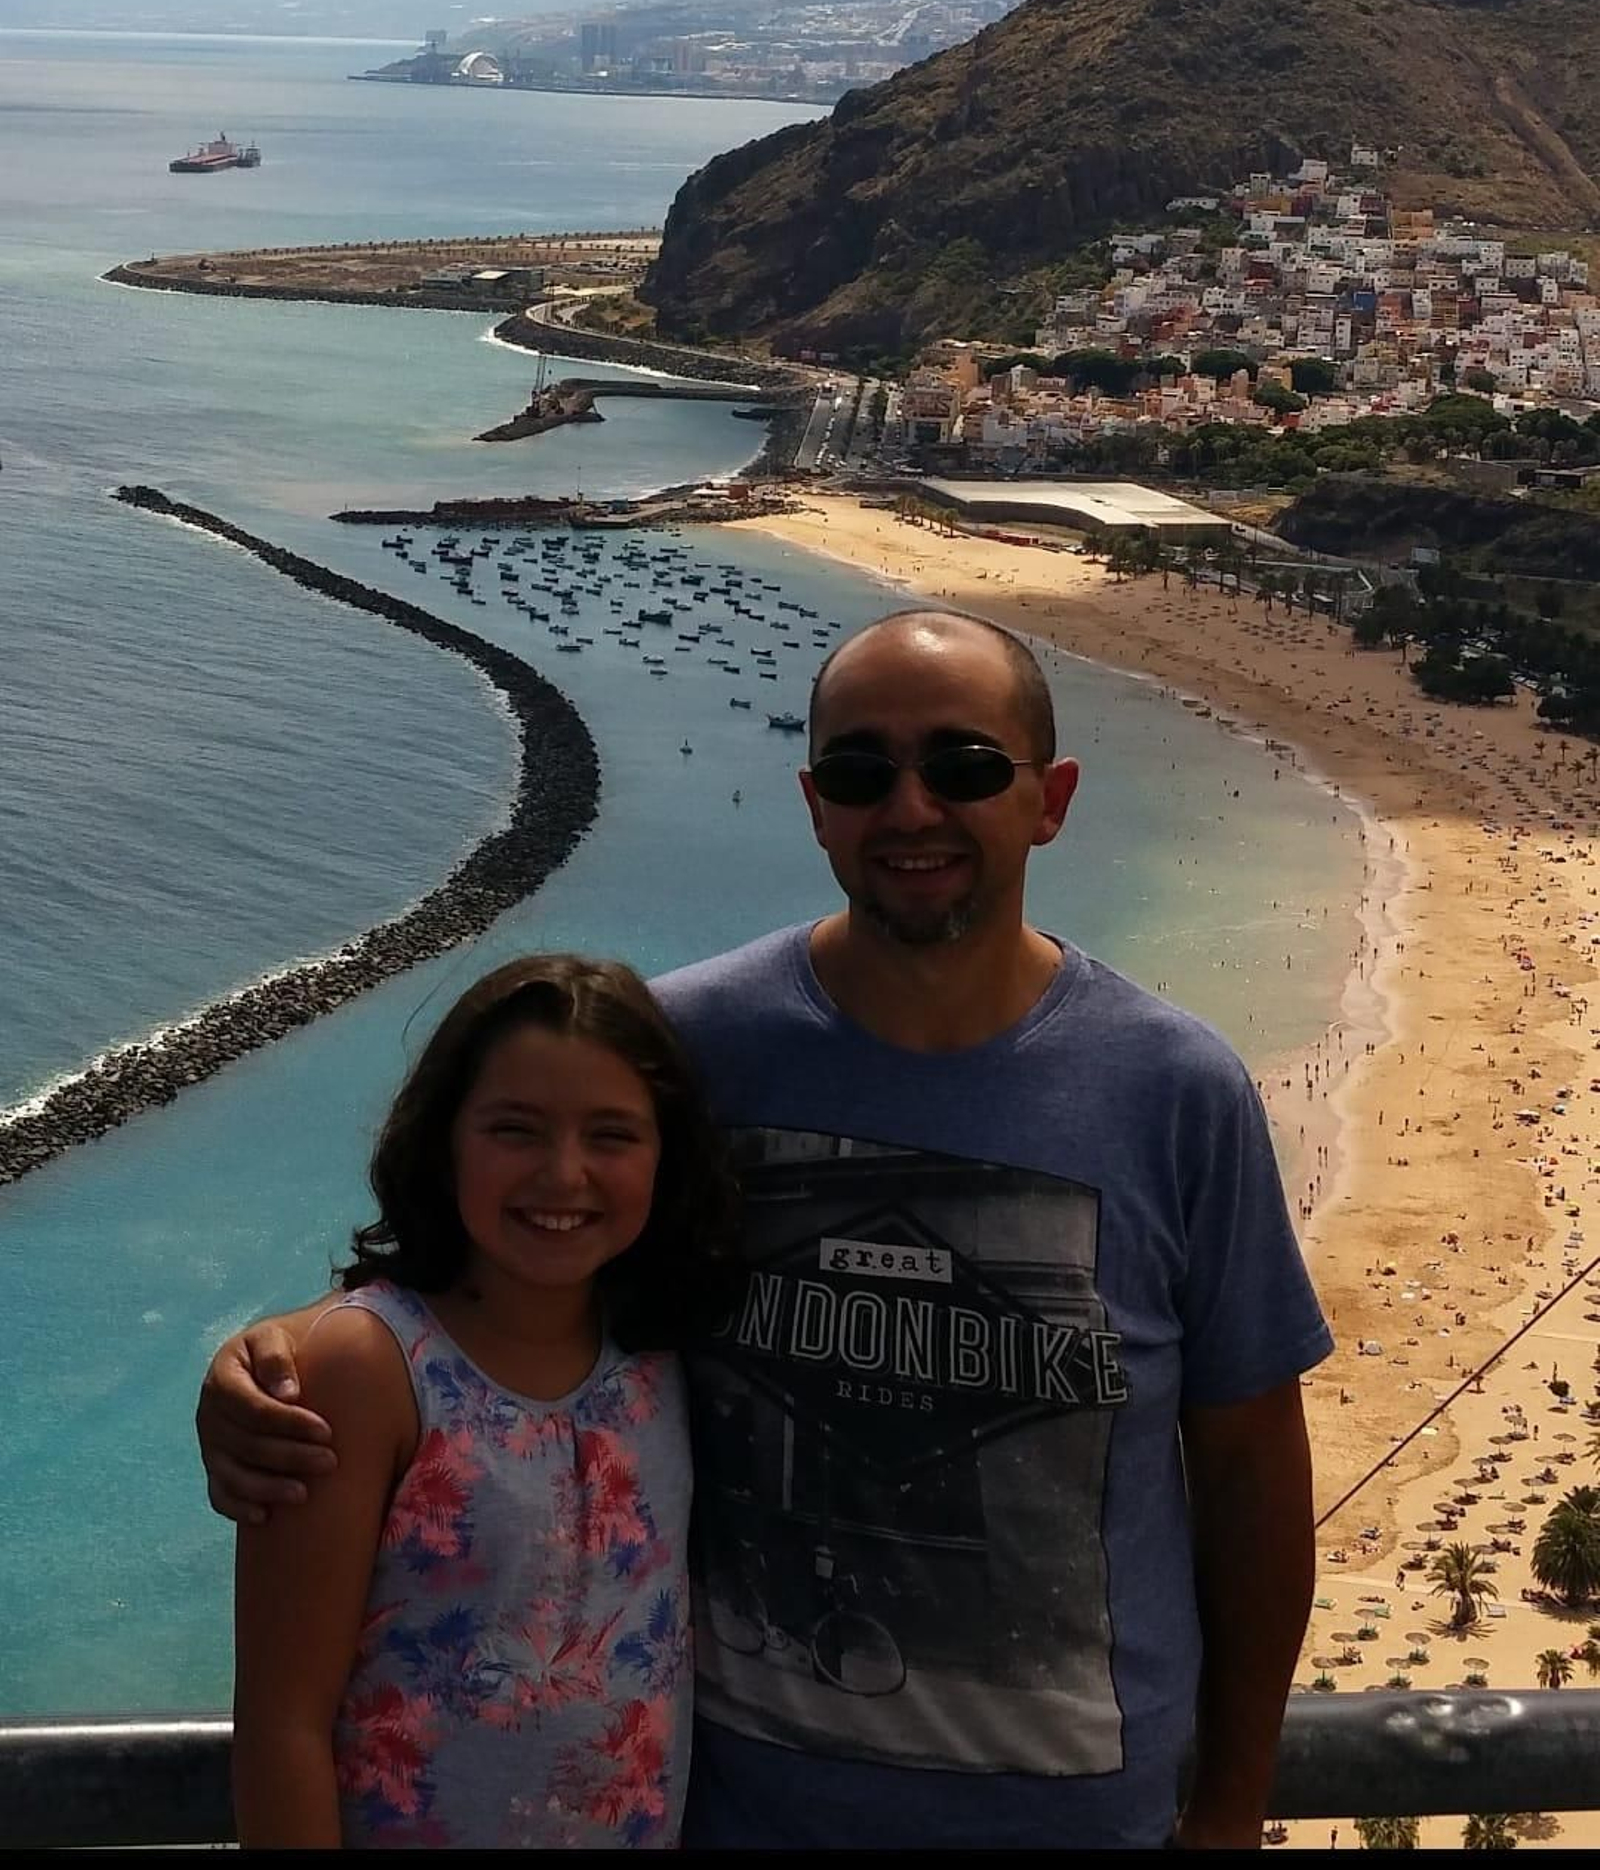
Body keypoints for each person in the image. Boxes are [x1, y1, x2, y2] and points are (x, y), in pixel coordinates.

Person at [201, 609, 1330, 1852]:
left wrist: (1228, 1811)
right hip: (737, 1818)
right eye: (861, 772)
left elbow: (1247, 1472)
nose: (910, 809)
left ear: (1047, 799)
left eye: (961, 767)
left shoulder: (1176, 1091)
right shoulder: (690, 1055)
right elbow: (515, 1273)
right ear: (813, 802)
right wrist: (274, 1361)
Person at [229, 951, 737, 1849]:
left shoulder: (663, 1351)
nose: (563, 1174)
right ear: (445, 1139)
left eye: (612, 1135)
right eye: (516, 1129)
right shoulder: (368, 1368)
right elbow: (283, 1725)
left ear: (667, 1156)